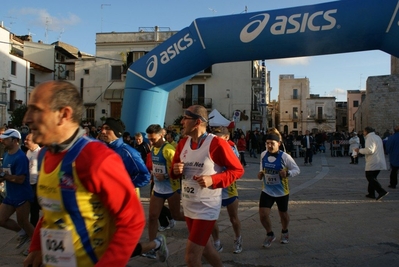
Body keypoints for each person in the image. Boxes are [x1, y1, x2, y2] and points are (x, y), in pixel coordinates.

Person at [22, 80, 145, 267]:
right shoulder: (45, 154)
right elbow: (52, 211)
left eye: (36, 110)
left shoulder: (96, 157)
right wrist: (36, 247)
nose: (27, 118)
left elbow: (132, 220)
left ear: (64, 114)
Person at [171, 105, 244, 267]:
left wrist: (214, 179)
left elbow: (237, 170)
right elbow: (174, 171)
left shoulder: (217, 143)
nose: (182, 122)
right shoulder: (183, 143)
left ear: (197, 122)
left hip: (207, 207)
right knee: (206, 249)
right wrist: (176, 169)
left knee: (191, 257)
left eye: (185, 118)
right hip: (189, 205)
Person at [144, 124, 184, 259]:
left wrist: (166, 175)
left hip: (171, 188)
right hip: (158, 188)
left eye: (153, 139)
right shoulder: (153, 148)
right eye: (149, 139)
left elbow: (180, 169)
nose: (151, 142)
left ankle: (198, 222)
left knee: (177, 215)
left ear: (161, 135)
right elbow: (155, 165)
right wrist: (152, 175)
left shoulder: (169, 150)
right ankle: (153, 246)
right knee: (152, 216)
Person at [257, 129, 300, 248]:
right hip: (267, 190)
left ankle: (285, 231)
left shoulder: (285, 157)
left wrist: (287, 173)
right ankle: (270, 234)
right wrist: (261, 173)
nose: (269, 146)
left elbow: (297, 170)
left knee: (283, 214)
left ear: (279, 144)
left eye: (272, 143)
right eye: (268, 143)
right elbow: (262, 165)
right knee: (263, 214)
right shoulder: (263, 154)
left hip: (281, 191)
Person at [0, 129, 35, 251]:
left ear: (15, 140)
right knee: (1, 220)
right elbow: (4, 173)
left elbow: (20, 179)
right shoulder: (5, 155)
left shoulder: (21, 157)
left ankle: (37, 245)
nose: (3, 141)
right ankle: (22, 234)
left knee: (23, 222)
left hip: (22, 196)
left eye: (6, 139)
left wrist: (4, 176)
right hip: (10, 195)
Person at [211, 126, 243, 254]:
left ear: (226, 137)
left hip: (228, 188)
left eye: (219, 138)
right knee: (212, 218)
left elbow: (236, 168)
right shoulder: (209, 147)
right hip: (214, 188)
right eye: (214, 137)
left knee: (233, 217)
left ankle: (238, 238)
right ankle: (216, 242)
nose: (216, 140)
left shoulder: (231, 149)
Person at [100, 118, 151, 190]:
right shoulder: (102, 148)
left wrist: (122, 185)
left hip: (122, 197)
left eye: (107, 128)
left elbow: (145, 176)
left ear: (117, 132)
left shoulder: (128, 152)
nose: (103, 131)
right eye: (102, 128)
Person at [354, 126, 388, 200]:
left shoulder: (369, 138)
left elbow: (370, 150)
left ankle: (381, 191)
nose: (363, 133)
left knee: (369, 177)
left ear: (366, 131)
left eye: (364, 131)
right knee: (373, 177)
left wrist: (359, 150)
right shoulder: (377, 137)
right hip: (379, 160)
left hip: (373, 161)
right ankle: (371, 193)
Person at [24, 133, 41, 227]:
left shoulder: (40, 153)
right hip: (28, 183)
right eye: (25, 139)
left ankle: (33, 228)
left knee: (35, 209)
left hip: (36, 184)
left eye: (28, 140)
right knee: (28, 207)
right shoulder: (28, 152)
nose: (25, 141)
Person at [385, 125, 399, 189]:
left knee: (394, 171)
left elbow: (388, 147)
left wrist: (388, 152)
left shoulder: (392, 137)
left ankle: (393, 184)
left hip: (394, 157)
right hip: (395, 156)